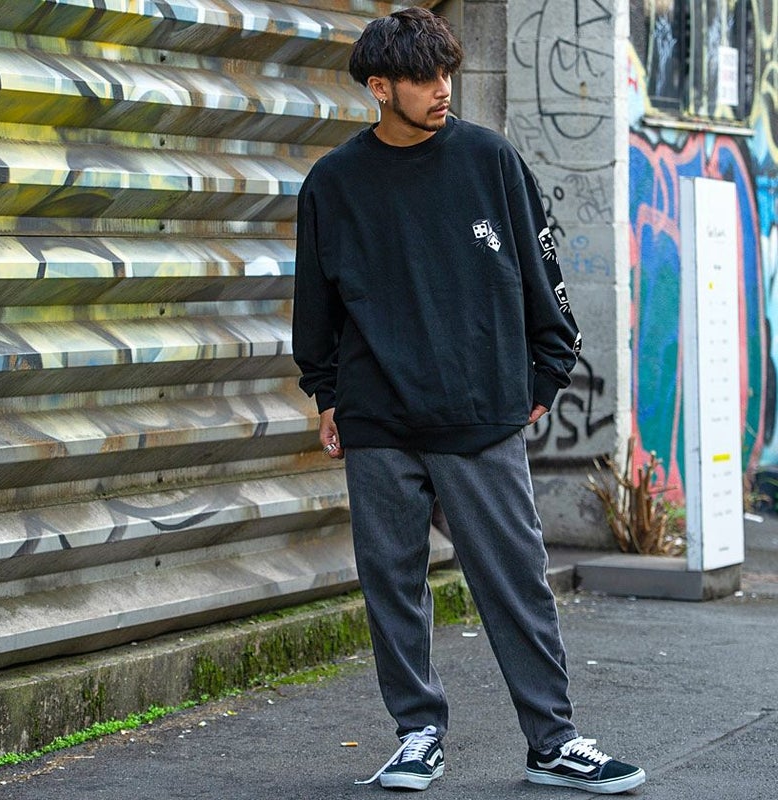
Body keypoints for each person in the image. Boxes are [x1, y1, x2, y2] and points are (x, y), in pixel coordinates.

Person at [291, 6, 645, 795]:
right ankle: (417, 733)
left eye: (446, 72)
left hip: (479, 413)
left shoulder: (489, 159)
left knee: (515, 581)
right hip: (378, 418)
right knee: (393, 585)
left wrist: (545, 375)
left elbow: (541, 271)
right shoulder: (334, 183)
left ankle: (553, 741)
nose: (442, 89)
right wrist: (326, 393)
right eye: (422, 78)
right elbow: (316, 303)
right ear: (379, 87)